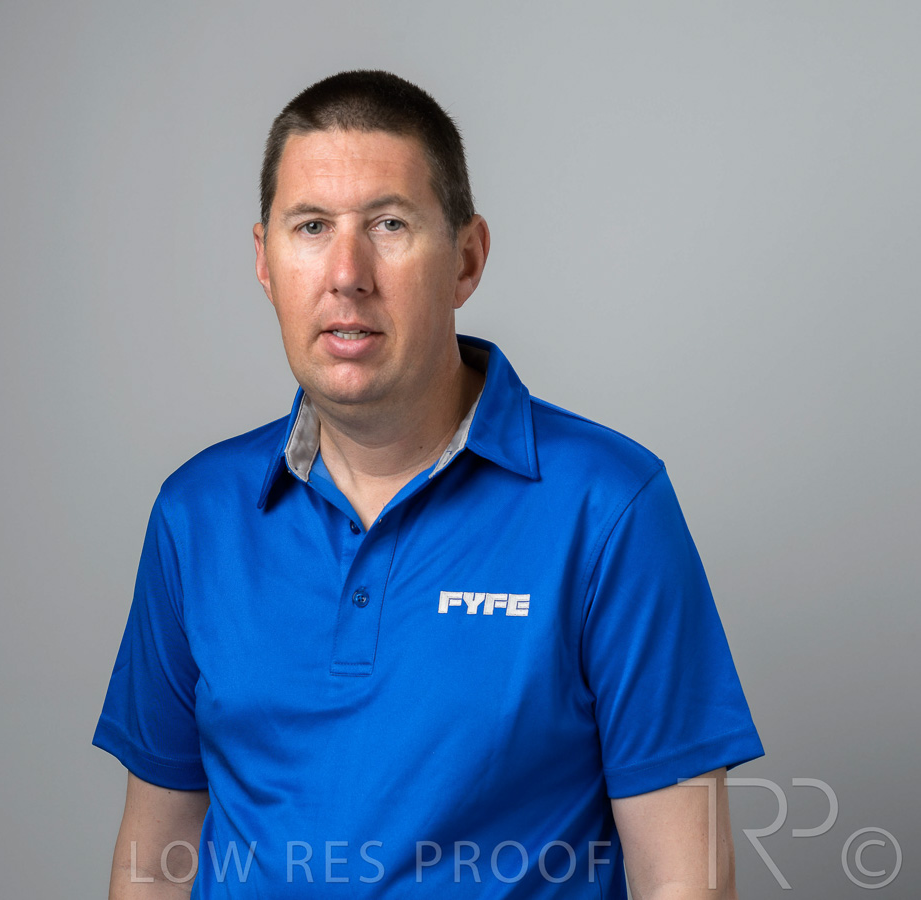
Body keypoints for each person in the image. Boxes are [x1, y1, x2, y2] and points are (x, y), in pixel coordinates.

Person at [93, 70, 763, 898]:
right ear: (264, 260)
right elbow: (156, 859)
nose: (346, 273)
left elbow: (684, 880)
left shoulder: (607, 509)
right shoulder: (196, 515)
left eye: (389, 224)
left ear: (466, 260)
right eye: (311, 227)